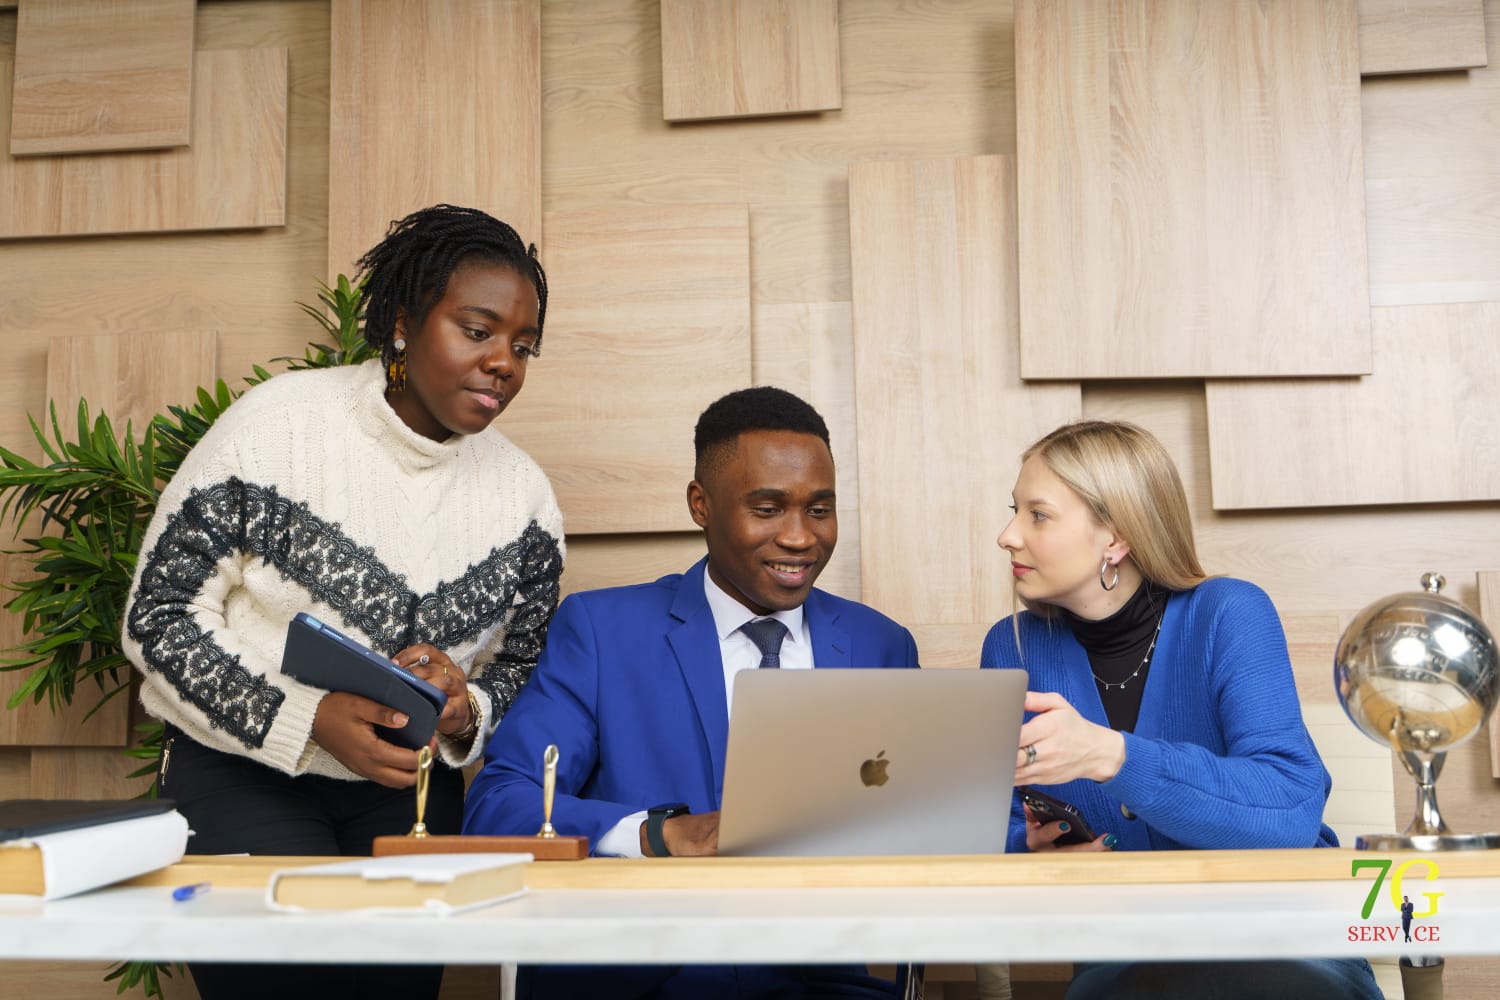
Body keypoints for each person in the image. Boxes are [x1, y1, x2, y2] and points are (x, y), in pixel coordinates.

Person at [121, 204, 564, 1000]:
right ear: (402, 324)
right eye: (477, 331)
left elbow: (525, 664)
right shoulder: (278, 429)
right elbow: (159, 615)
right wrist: (306, 718)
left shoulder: (524, 499)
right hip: (242, 773)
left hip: (409, 795)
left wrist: (464, 709)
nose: (503, 362)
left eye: (523, 346)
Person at [464, 386, 919, 1000]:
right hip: (641, 980)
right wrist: (657, 835)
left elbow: (930, 819)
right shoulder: (602, 631)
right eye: (767, 509)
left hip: (820, 979)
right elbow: (500, 804)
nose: (799, 537)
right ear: (700, 505)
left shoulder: (881, 644)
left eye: (819, 510)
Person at [979, 420, 1381, 1000]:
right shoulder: (1012, 646)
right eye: (1014, 511)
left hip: (1285, 943)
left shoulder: (1229, 614)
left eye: (1037, 515)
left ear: (1116, 538)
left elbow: (1290, 807)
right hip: (1126, 960)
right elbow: (992, 825)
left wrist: (1114, 756)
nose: (1007, 536)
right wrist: (1029, 850)